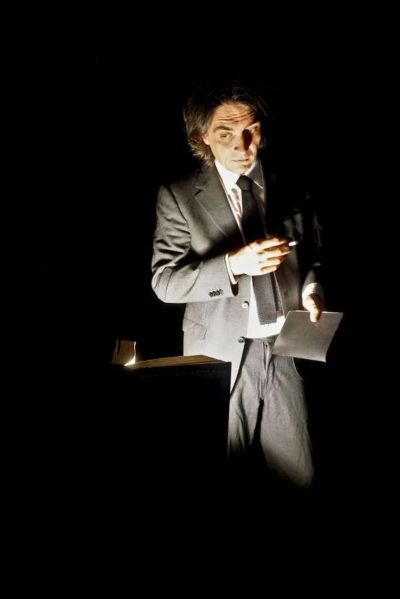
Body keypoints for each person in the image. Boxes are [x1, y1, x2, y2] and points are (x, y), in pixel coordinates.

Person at [151, 81, 324, 489]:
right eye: (225, 133)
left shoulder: (291, 186)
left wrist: (311, 289)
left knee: (299, 475)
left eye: (251, 131)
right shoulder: (179, 197)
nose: (242, 146)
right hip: (220, 354)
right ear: (203, 137)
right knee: (220, 473)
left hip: (286, 350)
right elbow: (164, 282)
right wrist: (232, 265)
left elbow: (313, 255)